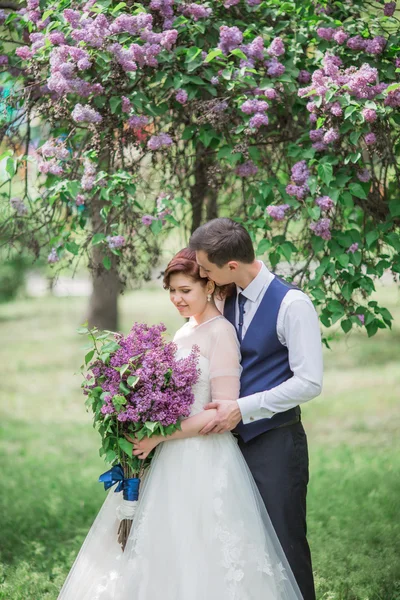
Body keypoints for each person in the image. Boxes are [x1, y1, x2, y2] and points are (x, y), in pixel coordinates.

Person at [57, 247, 303, 600]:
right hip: (173, 458)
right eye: (172, 291)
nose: (177, 299)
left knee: (204, 547)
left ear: (209, 285)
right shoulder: (183, 333)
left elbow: (222, 412)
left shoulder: (222, 333)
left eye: (185, 290)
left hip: (206, 458)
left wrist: (158, 437)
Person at [188, 217, 323, 600]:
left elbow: (309, 381)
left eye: (207, 268)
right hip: (226, 447)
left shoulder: (292, 305)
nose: (203, 274)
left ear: (232, 265)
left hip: (275, 444)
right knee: (237, 543)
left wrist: (242, 409)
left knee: (284, 542)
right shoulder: (224, 296)